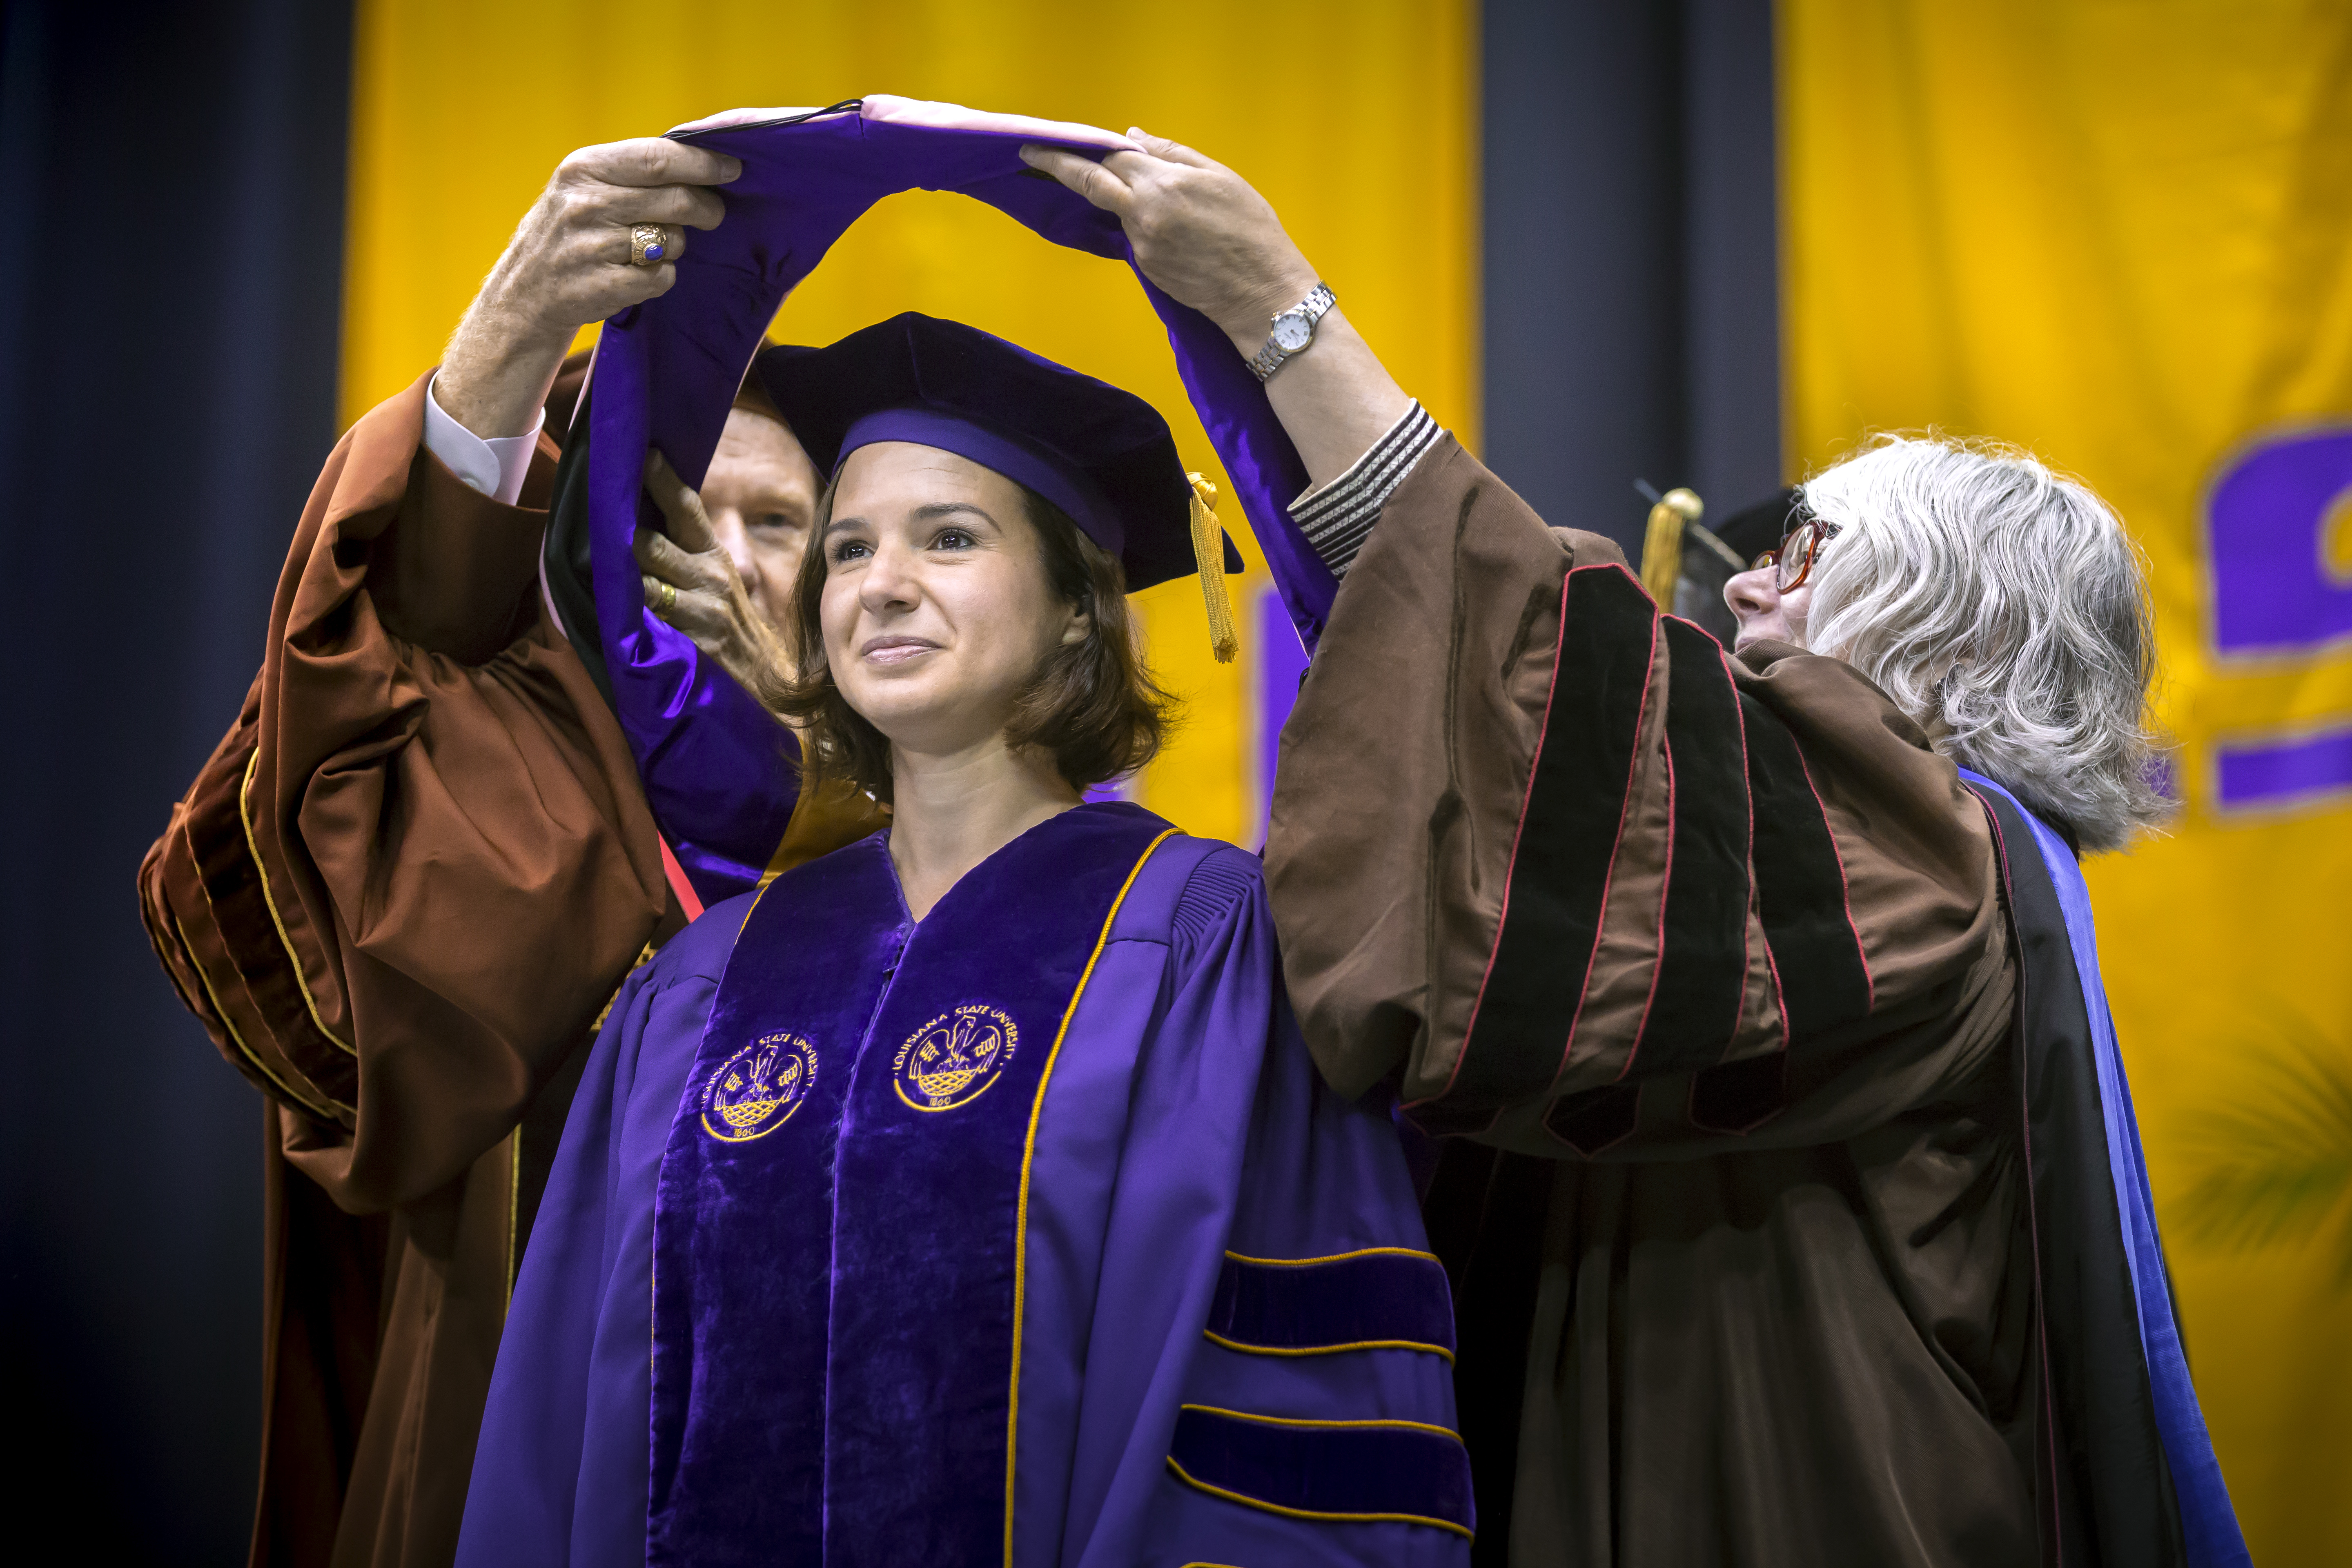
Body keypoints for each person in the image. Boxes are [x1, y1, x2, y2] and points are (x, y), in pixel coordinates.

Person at [1022, 132, 2249, 1566]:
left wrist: (1284, 310)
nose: (1755, 592)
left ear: (1947, 621)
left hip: (1821, 1502)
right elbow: (1521, 730)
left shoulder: (1935, 858)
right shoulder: (1888, 840)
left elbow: (1567, 691)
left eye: (1808, 554)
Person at [451, 314, 1469, 1568]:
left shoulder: (1211, 947)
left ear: (1074, 612)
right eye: (848, 549)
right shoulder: (700, 986)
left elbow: (1312, 1410)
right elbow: (564, 1419)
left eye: (950, 538)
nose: (881, 583)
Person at [137, 139, 881, 1568]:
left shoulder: (988, 862)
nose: (722, 561)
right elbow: (379, 675)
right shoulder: (533, 808)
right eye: (682, 515)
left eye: (778, 524)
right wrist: (508, 346)